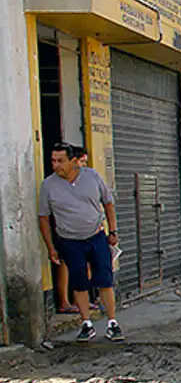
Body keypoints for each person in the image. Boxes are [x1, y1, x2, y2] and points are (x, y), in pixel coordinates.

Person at [38, 143, 124, 343]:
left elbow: (108, 203)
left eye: (60, 161)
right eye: (53, 161)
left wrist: (112, 231)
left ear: (72, 161)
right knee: (79, 283)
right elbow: (43, 217)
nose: (56, 165)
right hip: (70, 241)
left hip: (96, 236)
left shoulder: (91, 177)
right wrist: (50, 247)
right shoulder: (48, 185)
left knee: (105, 279)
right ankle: (86, 323)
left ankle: (112, 322)